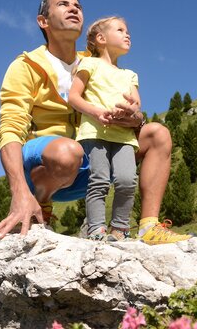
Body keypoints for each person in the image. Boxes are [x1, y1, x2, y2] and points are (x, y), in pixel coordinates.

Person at [0, 0, 191, 245]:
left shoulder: (95, 62)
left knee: (157, 134)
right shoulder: (25, 66)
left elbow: (125, 105)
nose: (74, 8)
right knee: (67, 151)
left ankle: (149, 227)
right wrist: (18, 191)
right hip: (46, 158)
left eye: (78, 6)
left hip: (93, 154)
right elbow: (10, 128)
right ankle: (39, 205)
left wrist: (135, 119)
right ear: (43, 21)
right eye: (63, 4)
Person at [68, 16, 139, 242]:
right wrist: (97, 112)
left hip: (124, 136)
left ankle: (120, 229)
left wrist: (131, 111)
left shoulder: (130, 75)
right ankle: (96, 230)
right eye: (120, 30)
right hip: (94, 132)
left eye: (127, 31)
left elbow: (137, 105)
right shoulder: (89, 64)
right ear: (101, 39)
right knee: (98, 179)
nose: (127, 34)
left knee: (127, 180)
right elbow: (73, 97)